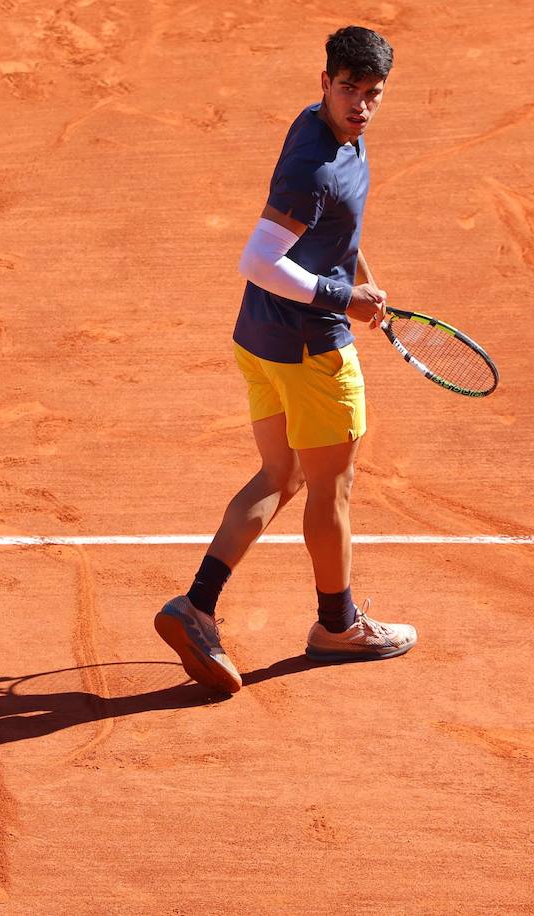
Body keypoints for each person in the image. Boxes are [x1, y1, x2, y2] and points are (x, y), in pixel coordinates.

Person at [155, 26, 417, 695]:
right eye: (348, 89)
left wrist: (361, 280)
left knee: (283, 472)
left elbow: (332, 232)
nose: (360, 104)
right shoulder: (316, 169)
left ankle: (197, 605)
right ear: (324, 81)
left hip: (260, 338)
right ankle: (338, 625)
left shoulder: (321, 128)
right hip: (310, 350)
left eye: (372, 93)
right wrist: (341, 297)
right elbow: (258, 259)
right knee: (332, 487)